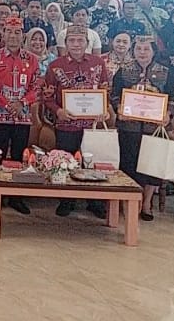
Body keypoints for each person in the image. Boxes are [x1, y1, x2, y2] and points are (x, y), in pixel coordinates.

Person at [42, 25, 111, 218]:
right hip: (66, 124)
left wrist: (104, 110)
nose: (76, 44)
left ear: (87, 43)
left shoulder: (98, 63)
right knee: (66, 162)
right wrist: (59, 111)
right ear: (65, 43)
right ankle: (66, 200)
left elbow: (105, 91)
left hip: (92, 126)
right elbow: (47, 97)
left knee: (92, 163)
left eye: (80, 40)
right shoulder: (55, 66)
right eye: (71, 40)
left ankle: (94, 202)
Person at [0, 16, 43, 215]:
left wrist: (22, 103)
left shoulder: (32, 59)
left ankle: (16, 197)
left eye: (17, 32)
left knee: (19, 156)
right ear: (3, 33)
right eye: (9, 31)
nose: (13, 36)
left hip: (22, 116)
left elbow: (36, 87)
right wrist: (7, 104)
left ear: (23, 35)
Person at [110, 36, 173, 222]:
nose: (142, 52)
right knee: (129, 163)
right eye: (138, 49)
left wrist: (168, 113)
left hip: (154, 127)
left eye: (146, 49)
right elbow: (114, 94)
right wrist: (119, 108)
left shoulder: (165, 72)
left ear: (153, 51)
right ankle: (131, 201)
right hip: (129, 126)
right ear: (133, 51)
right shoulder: (124, 70)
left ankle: (146, 203)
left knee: (152, 166)